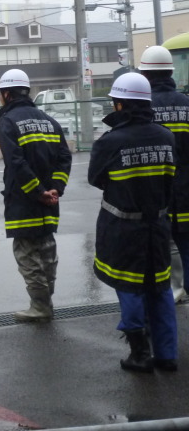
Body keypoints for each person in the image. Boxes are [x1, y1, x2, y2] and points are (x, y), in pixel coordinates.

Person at [88, 72, 178, 372]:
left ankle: (139, 354)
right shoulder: (166, 137)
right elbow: (169, 182)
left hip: (124, 227)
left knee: (130, 287)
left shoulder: (111, 141)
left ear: (120, 105)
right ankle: (167, 355)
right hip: (158, 225)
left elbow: (96, 179)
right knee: (160, 287)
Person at [0, 69, 72, 322]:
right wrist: (54, 190)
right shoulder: (48, 120)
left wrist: (38, 193)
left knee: (27, 254)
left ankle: (40, 306)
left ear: (6, 94)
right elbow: (64, 157)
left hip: (24, 200)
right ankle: (45, 302)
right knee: (47, 250)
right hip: (50, 200)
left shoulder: (8, 121)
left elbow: (16, 162)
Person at [139, 45, 189, 304]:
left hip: (155, 192)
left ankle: (171, 292)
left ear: (145, 76)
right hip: (187, 191)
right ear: (171, 72)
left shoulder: (143, 108)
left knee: (160, 248)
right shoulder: (187, 104)